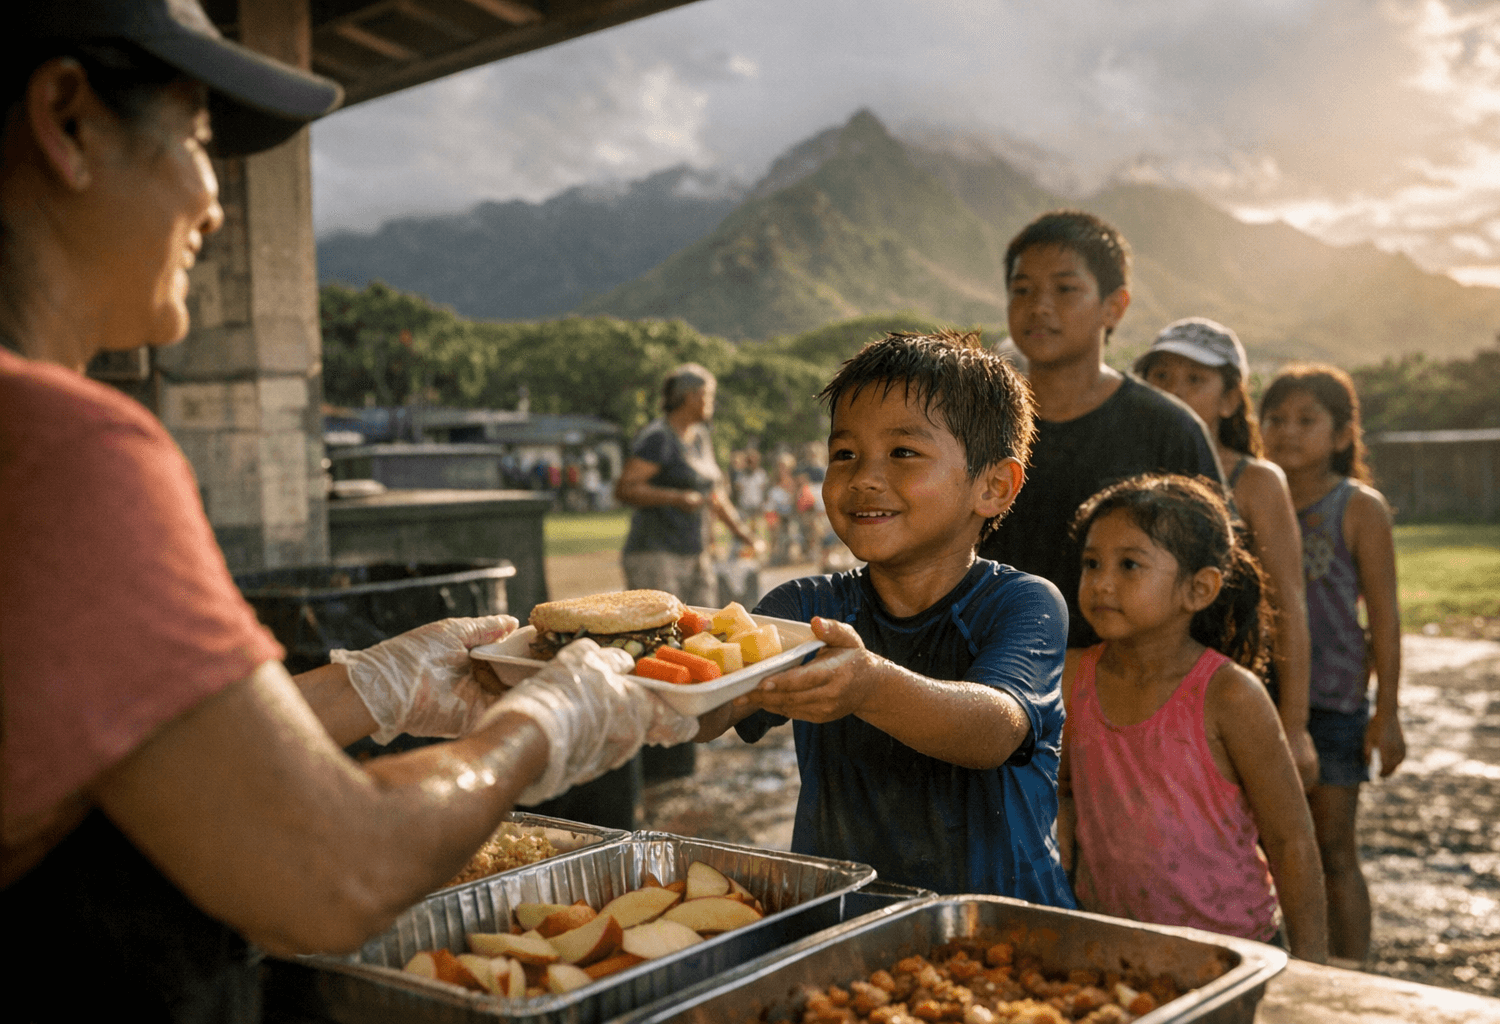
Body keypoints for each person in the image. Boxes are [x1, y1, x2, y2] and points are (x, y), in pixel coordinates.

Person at [0, 5, 694, 1019]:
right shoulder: (65, 449)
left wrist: (371, 687)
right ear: (65, 118)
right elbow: (332, 874)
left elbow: (116, 749)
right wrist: (539, 727)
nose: (218, 207)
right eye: (198, 143)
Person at [696, 331, 1076, 905]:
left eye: (902, 453)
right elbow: (707, 710)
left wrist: (869, 685)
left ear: (994, 486)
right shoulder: (801, 609)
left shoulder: (1023, 603)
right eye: (844, 454)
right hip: (845, 916)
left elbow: (994, 730)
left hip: (999, 922)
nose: (864, 477)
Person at [1058, 474, 1328, 962]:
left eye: (1129, 565)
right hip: (1113, 947)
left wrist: (1312, 970)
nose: (1101, 582)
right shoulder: (1072, 677)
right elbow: (1060, 796)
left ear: (1198, 589)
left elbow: (1291, 840)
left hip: (1233, 950)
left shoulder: (1229, 696)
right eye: (1092, 563)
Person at [979, 211, 1223, 648]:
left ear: (1115, 306)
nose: (1039, 306)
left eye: (1065, 289)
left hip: (1126, 689)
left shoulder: (1168, 429)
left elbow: (1215, 569)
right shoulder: (977, 422)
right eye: (1022, 290)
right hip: (989, 671)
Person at [1259, 364, 1405, 964]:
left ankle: (1352, 974)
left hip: (1337, 704)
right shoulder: (1247, 495)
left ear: (1343, 435)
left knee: (1333, 849)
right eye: (1275, 418)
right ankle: (1285, 965)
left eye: (1306, 420)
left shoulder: (1358, 507)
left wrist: (1388, 714)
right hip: (1259, 702)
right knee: (1267, 850)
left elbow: (1386, 618)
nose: (1288, 431)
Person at [1134, 318, 1319, 787]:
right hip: (1142, 692)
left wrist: (1294, 728)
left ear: (1231, 398)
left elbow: (1289, 604)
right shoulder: (1131, 479)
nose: (1176, 391)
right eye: (1162, 377)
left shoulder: (1256, 482)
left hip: (1233, 692)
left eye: (1196, 379)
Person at [615, 363, 763, 607]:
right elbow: (625, 489)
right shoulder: (658, 438)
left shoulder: (700, 438)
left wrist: (744, 535)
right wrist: (675, 498)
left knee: (702, 627)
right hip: (656, 555)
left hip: (696, 552)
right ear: (691, 396)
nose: (712, 403)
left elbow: (715, 495)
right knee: (663, 631)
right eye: (709, 395)